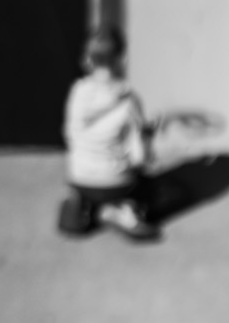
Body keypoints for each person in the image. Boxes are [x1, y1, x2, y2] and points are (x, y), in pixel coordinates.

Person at [60, 24, 157, 241]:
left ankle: (84, 206)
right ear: (121, 59)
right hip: (117, 182)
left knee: (85, 188)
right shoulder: (130, 100)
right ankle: (120, 210)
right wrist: (147, 138)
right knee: (159, 188)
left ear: (87, 59)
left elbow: (69, 136)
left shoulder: (76, 93)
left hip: (79, 177)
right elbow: (139, 158)